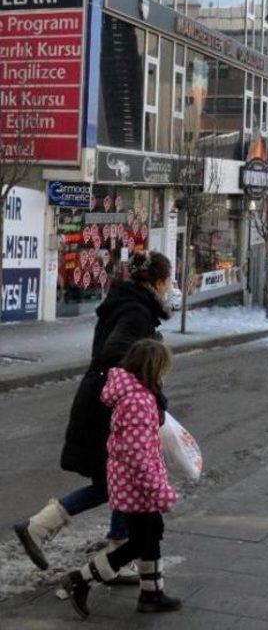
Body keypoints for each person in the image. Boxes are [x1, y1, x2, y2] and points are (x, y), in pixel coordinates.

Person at [14, 251, 172, 575]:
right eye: (167, 282)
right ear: (158, 282)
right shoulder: (136, 310)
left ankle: (111, 547)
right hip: (108, 408)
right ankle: (43, 529)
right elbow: (116, 350)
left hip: (104, 401)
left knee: (116, 480)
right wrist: (148, 388)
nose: (167, 289)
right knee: (115, 481)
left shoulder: (128, 303)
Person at [62, 339, 180, 618]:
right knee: (140, 542)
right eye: (164, 368)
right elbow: (137, 455)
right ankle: (80, 579)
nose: (166, 374)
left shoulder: (135, 395)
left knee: (151, 536)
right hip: (137, 487)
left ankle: (151, 593)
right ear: (153, 368)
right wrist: (158, 491)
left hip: (131, 484)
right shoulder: (139, 401)